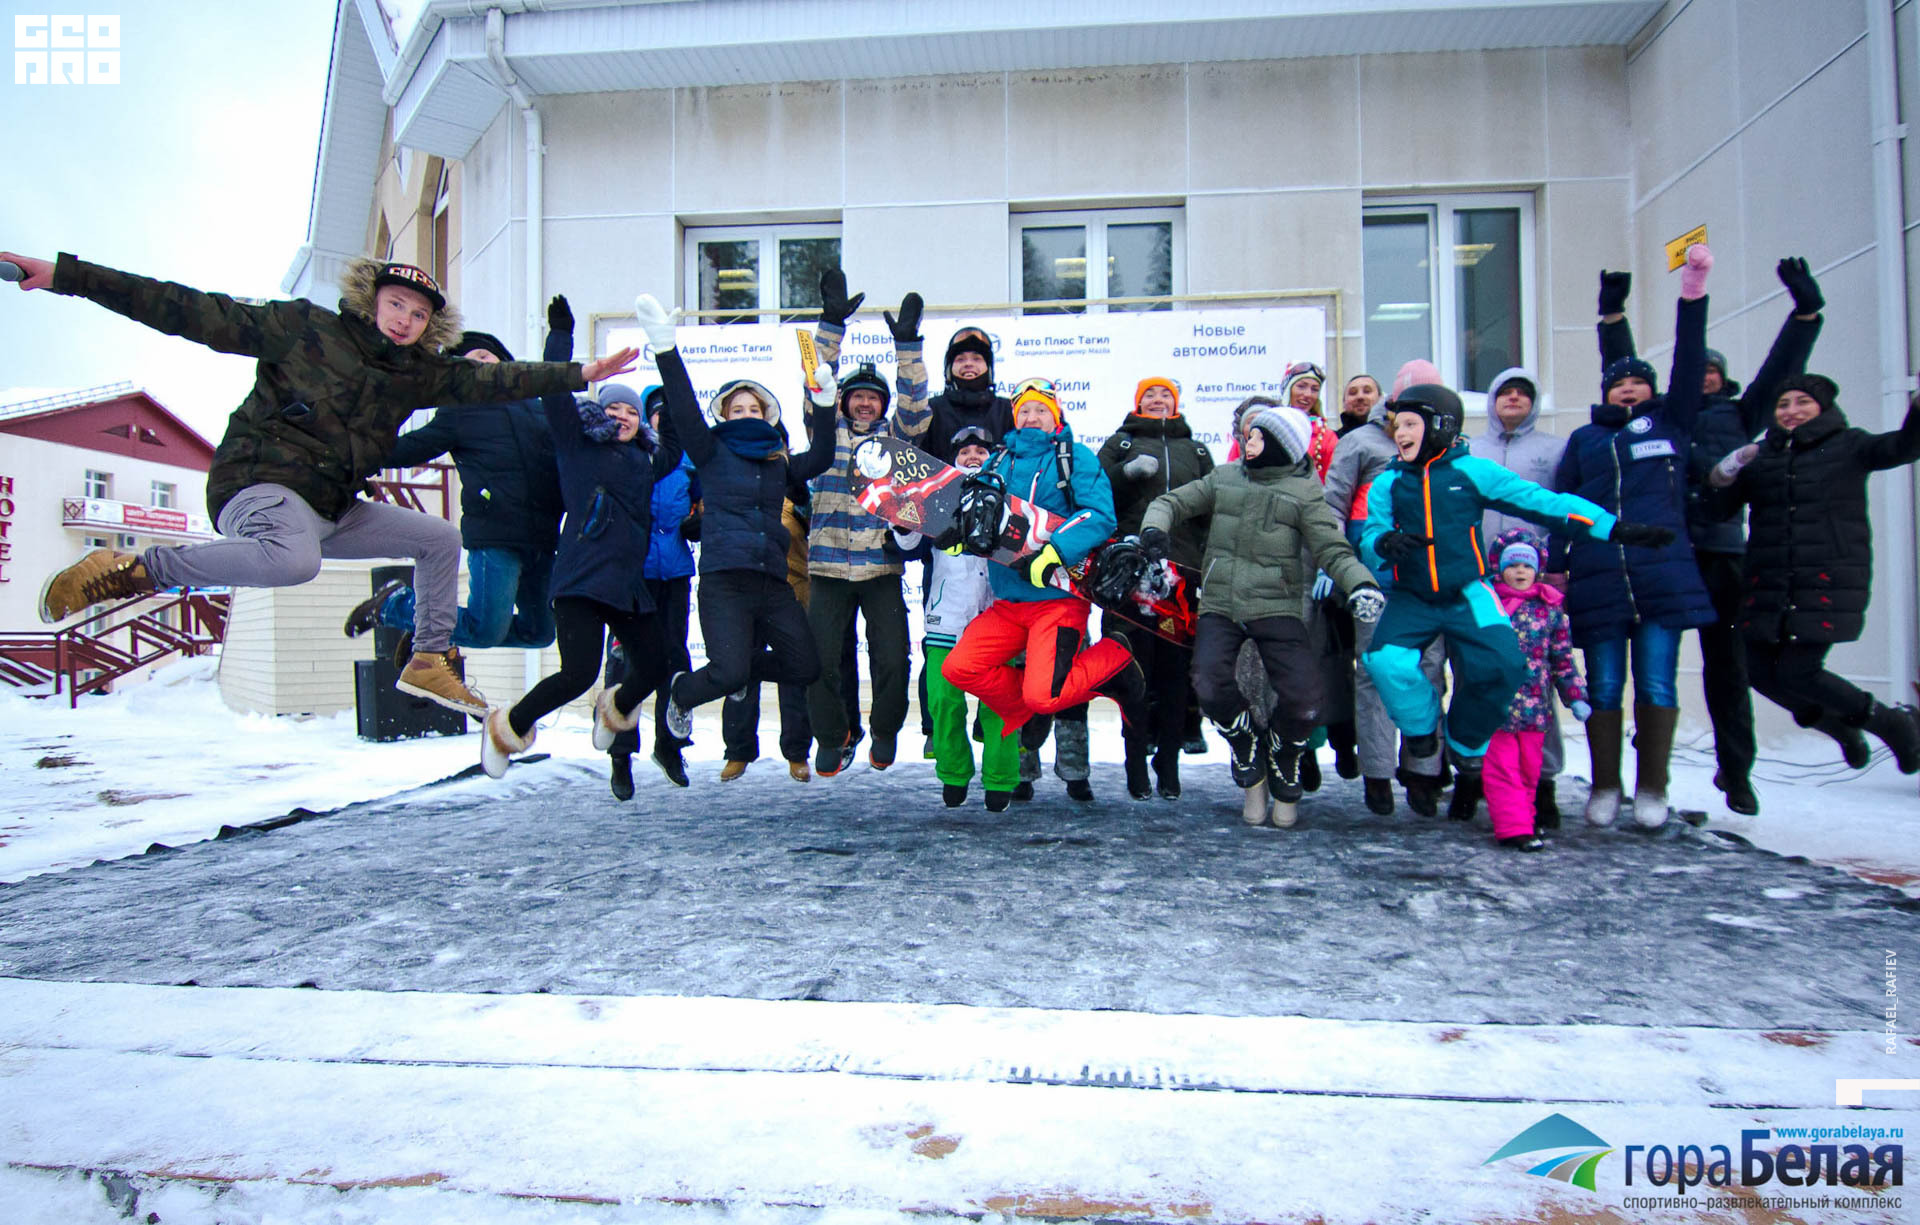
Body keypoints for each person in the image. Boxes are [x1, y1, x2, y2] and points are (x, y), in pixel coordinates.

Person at [18, 249, 637, 719]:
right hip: (259, 484)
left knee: (437, 540)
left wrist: (580, 371)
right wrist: (68, 276)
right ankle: (134, 570)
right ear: (372, 300)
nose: (405, 320)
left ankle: (428, 658)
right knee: (295, 560)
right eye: (397, 305)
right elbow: (187, 309)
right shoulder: (303, 329)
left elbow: (495, 380)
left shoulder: (417, 374)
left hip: (331, 505)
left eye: (419, 315)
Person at [1358, 383, 1670, 797]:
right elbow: (1371, 534)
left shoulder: (1474, 471)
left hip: (1469, 592)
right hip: (1411, 596)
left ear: (1440, 426)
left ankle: (1465, 739)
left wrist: (1611, 527)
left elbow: (1541, 502)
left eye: (1411, 424)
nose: (1400, 433)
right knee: (1384, 661)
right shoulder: (1389, 483)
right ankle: (1421, 729)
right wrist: (1384, 543)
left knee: (1505, 666)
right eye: (1398, 426)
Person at [1604, 260, 1827, 815]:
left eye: (1711, 369)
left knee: (1727, 665)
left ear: (1723, 378)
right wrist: (1612, 318)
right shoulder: (1660, 417)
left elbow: (1781, 369)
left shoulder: (1741, 413)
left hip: (1722, 555)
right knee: (1654, 666)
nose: (1701, 375)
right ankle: (1648, 769)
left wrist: (1805, 316)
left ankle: (1737, 770)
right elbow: (1624, 380)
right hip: (1666, 554)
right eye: (1694, 369)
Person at [1141, 404, 1385, 827]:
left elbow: (1333, 549)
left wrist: (1361, 584)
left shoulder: (1305, 492)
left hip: (1276, 605)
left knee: (1305, 700)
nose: (1246, 440)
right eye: (1247, 434)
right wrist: (1154, 529)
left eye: (1256, 436)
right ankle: (1245, 744)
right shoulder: (1225, 477)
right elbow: (1171, 501)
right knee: (1209, 684)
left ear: (1278, 445)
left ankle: (1284, 753)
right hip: (1221, 602)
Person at [1555, 246, 1716, 828]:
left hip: (1661, 578)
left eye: (1638, 383)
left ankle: (1653, 789)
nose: (1627, 389)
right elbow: (1563, 506)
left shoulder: (1670, 424)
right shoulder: (1586, 440)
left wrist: (1692, 291)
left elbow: (1689, 360)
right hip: (1600, 578)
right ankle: (1604, 786)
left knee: (1655, 682)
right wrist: (1556, 564)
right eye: (1618, 383)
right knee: (1603, 685)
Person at [653, 295, 840, 758]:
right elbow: (683, 408)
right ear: (724, 416)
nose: (745, 415)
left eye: (753, 409)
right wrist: (665, 349)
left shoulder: (778, 462)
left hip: (772, 583)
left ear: (766, 415)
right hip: (725, 581)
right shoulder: (710, 451)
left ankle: (739, 667)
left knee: (805, 667)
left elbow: (821, 458)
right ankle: (681, 693)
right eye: (737, 409)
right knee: (729, 674)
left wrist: (825, 403)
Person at [1708, 375, 1920, 773]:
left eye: (1802, 402)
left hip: (1826, 580)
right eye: (1783, 404)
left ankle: (1891, 724)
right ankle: (1839, 728)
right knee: (1758, 672)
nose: (1791, 411)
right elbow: (1717, 510)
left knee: (1798, 671)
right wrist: (1724, 475)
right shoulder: (1761, 457)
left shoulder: (1851, 445)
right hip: (1768, 582)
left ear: (1823, 406)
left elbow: (1905, 446)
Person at [479, 374, 685, 781]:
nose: (623, 416)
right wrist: (563, 352)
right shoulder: (578, 445)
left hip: (626, 587)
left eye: (632, 412)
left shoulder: (645, 463)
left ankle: (615, 709)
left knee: (657, 663)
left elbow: (675, 446)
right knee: (578, 673)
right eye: (614, 409)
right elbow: (554, 393)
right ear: (598, 414)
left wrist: (668, 365)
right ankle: (507, 728)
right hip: (581, 582)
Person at [345, 297, 573, 661]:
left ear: (504, 363)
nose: (479, 364)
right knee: (485, 629)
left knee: (540, 633)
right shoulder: (459, 413)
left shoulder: (538, 408)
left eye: (484, 356)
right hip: (495, 533)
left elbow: (561, 391)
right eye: (468, 363)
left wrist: (560, 336)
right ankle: (396, 606)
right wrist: (353, 451)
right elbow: (410, 448)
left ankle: (426, 625)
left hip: (543, 537)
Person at [941, 379, 1149, 752]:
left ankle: (1114, 658)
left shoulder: (1074, 457)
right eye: (1024, 411)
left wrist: (1055, 552)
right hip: (1009, 601)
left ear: (1056, 416)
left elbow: (1100, 515)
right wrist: (963, 539)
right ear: (1014, 417)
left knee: (1044, 695)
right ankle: (1027, 708)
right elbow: (981, 520)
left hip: (1057, 600)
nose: (1032, 417)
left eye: (1041, 410)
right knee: (959, 667)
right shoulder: (997, 461)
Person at [803, 277, 930, 776]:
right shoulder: (825, 432)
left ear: (882, 405)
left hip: (881, 568)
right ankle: (832, 736)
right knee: (819, 660)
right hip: (828, 566)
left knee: (893, 660)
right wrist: (831, 325)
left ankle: (884, 731)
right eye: (855, 397)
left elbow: (915, 403)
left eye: (872, 399)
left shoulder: (898, 438)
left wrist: (908, 346)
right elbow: (815, 380)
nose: (863, 403)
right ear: (842, 401)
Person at [1096, 375, 1214, 799]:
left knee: (1174, 674)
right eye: (1150, 394)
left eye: (1166, 394)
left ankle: (1168, 763)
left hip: (1181, 575)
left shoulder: (1196, 450)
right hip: (1129, 574)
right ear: (1137, 402)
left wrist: (1205, 562)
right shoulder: (1121, 442)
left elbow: (1212, 509)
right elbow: (1095, 490)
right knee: (1133, 671)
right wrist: (1125, 473)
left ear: (1176, 403)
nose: (1159, 399)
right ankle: (1134, 763)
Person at [891, 429, 1020, 809]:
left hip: (997, 621)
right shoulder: (937, 497)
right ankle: (953, 772)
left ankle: (1000, 780)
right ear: (953, 461)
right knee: (943, 701)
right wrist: (901, 523)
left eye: (981, 450)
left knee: (999, 704)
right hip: (946, 619)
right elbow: (910, 546)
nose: (973, 456)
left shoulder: (1012, 500)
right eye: (965, 452)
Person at [1465, 364, 1568, 825]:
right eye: (1504, 392)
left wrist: (1557, 565)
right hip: (1481, 581)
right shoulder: (1472, 450)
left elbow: (1563, 511)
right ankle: (1471, 774)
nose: (1513, 399)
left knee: (1537, 680)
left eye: (1522, 393)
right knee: (1475, 677)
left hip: (1533, 582)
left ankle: (1543, 781)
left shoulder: (1554, 450)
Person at [605, 385, 702, 797]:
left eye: (672, 412)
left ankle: (670, 745)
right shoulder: (631, 455)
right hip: (632, 574)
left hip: (675, 572)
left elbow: (702, 506)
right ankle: (620, 754)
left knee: (674, 659)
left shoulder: (688, 462)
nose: (665, 418)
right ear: (648, 416)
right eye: (659, 411)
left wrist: (699, 521)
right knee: (626, 662)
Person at [1479, 530, 1592, 851]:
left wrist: (1575, 696)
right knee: (1503, 770)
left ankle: (1525, 821)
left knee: (1530, 770)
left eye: (1527, 566)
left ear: (1537, 569)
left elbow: (1562, 659)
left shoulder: (1551, 610)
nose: (1520, 572)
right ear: (1500, 568)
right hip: (1496, 708)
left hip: (1534, 710)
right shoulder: (1488, 605)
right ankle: (1513, 829)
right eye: (1513, 565)